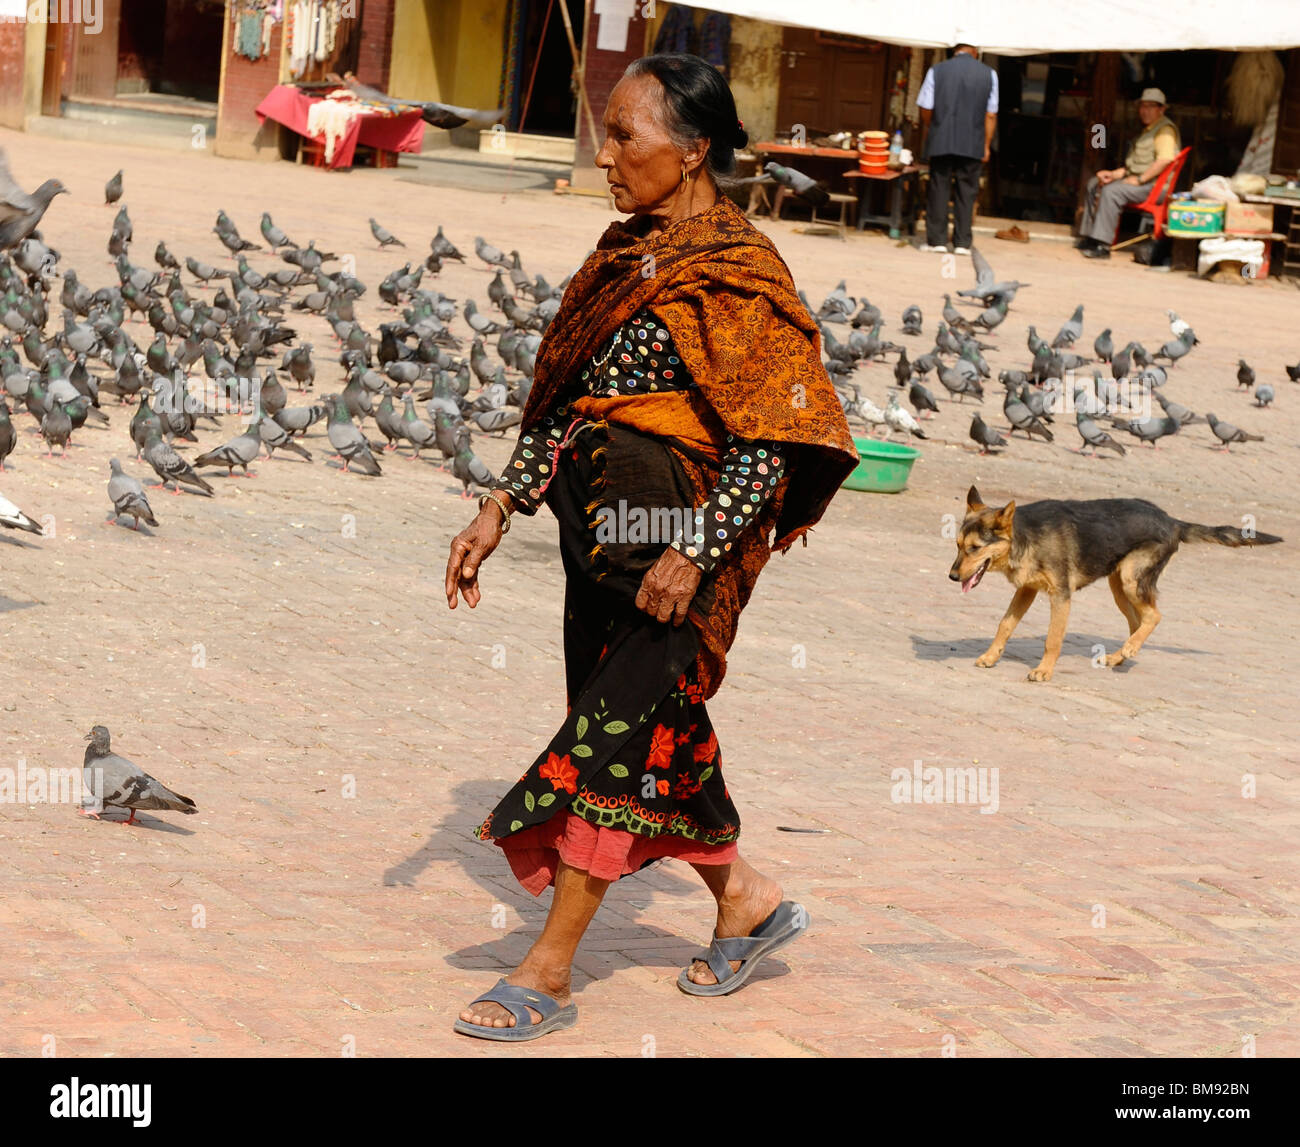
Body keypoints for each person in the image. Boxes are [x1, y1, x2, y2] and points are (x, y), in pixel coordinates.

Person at [443, 52, 857, 1042]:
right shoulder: (624, 256)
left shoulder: (741, 272)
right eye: (605, 131)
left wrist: (699, 546)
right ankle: (745, 898)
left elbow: (775, 432)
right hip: (596, 526)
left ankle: (549, 967)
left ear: (693, 149)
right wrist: (499, 503)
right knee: (644, 716)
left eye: (626, 134)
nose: (605, 154)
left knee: (612, 735)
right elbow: (567, 399)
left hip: (671, 530)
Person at [1077, 89, 1181, 259]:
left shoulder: (1165, 130)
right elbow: (1133, 166)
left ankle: (1102, 245)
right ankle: (1090, 237)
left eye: (1150, 107)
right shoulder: (1148, 131)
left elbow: (1165, 160)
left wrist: (1140, 180)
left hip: (1155, 187)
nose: (1145, 111)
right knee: (1094, 183)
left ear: (1161, 109)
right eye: (1142, 106)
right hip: (1141, 182)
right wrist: (1112, 174)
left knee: (1112, 192)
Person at [916, 43, 998, 255]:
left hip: (942, 138)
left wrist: (933, 125)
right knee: (967, 192)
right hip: (972, 142)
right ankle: (962, 243)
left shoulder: (937, 70)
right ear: (976, 52)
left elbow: (925, 106)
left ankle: (938, 241)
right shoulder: (990, 74)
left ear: (955, 50)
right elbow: (991, 114)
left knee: (938, 188)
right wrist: (986, 145)